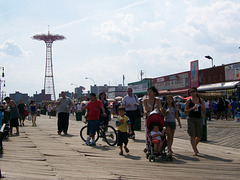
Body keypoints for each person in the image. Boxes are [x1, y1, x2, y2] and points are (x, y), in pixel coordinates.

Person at [185, 87, 206, 156]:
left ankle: (194, 146)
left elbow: (204, 110)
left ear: (196, 92)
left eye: (193, 91)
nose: (192, 93)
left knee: (199, 135)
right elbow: (185, 110)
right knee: (192, 134)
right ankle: (195, 150)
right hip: (191, 118)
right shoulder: (189, 101)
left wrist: (200, 105)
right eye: (191, 92)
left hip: (199, 118)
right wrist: (192, 109)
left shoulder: (201, 100)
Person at [142, 86, 163, 153]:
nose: (149, 93)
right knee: (147, 131)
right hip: (148, 117)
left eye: (150, 91)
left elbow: (160, 107)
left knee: (158, 129)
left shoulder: (158, 100)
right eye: (148, 91)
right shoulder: (145, 100)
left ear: (154, 92)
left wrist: (161, 110)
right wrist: (145, 112)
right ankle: (147, 146)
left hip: (156, 117)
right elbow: (144, 108)